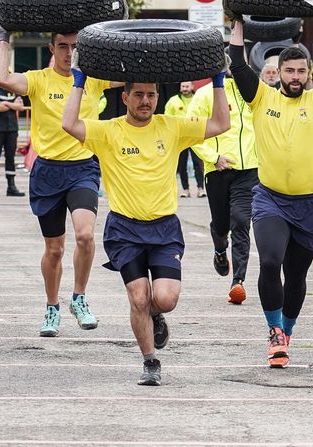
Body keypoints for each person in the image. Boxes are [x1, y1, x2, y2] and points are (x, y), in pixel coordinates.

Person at [62, 58, 230, 386]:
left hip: (164, 229)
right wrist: (78, 79)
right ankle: (150, 361)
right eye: (138, 95)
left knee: (165, 298)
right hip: (125, 230)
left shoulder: (172, 127)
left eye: (151, 95)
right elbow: (69, 124)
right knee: (138, 296)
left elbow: (221, 123)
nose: (145, 101)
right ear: (125, 97)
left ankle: (156, 314)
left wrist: (218, 79)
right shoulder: (108, 131)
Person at [228, 10, 313, 368]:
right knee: (271, 262)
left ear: (309, 73)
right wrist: (237, 22)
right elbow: (238, 64)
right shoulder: (261, 98)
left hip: (310, 205)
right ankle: (274, 332)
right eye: (289, 71)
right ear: (278, 72)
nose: (295, 77)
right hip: (270, 200)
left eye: (301, 71)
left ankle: (287, 331)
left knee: (297, 275)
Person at [0, 20, 123, 336]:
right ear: (52, 49)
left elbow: (129, 71)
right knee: (54, 250)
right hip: (48, 172)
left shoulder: (93, 80)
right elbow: (2, 78)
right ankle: (52, 307)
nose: (69, 52)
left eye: (75, 46)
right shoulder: (39, 80)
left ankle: (79, 298)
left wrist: (117, 31)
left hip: (83, 169)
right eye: (63, 46)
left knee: (85, 236)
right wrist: (4, 35)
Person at [189, 60, 258, 304]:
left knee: (241, 221)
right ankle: (220, 250)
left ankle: (238, 281)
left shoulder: (254, 92)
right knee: (221, 225)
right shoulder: (205, 94)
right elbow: (191, 131)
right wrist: (213, 157)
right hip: (218, 169)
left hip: (249, 170)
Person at [0, 83, 26, 197]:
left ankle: (11, 187)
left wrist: (6, 103)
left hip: (12, 129)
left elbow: (20, 107)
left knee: (11, 158)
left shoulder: (13, 90)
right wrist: (13, 104)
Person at [166, 82, 205, 198]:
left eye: (187, 86)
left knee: (197, 164)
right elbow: (167, 118)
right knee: (181, 165)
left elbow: (205, 115)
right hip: (180, 137)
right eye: (183, 86)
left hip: (195, 137)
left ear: (192, 87)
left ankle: (200, 188)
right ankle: (185, 190)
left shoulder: (198, 99)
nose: (185, 89)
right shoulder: (173, 101)